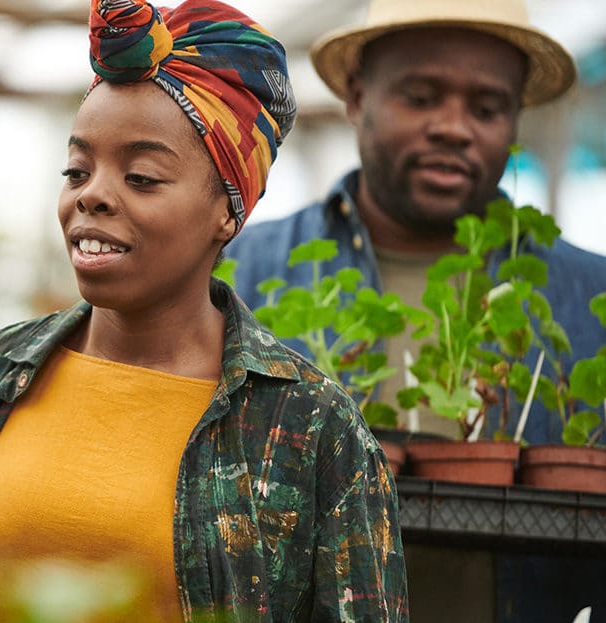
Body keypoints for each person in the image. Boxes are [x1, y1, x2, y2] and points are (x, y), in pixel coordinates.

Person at [0, 0, 408, 623]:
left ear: (226, 211)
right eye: (76, 170)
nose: (91, 196)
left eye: (141, 177)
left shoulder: (306, 425)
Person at [225, 0, 606, 445]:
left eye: (487, 108)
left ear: (516, 119)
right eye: (421, 98)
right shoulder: (235, 276)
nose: (453, 127)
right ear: (357, 96)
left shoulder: (592, 298)